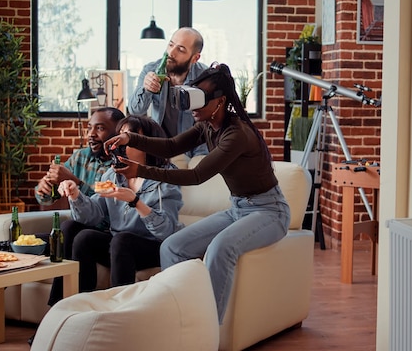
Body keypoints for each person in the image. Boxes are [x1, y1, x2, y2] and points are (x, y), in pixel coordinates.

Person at [104, 63, 291, 324]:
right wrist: (130, 139)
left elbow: (196, 176)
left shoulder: (237, 134)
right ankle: (178, 315)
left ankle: (206, 330)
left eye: (199, 101)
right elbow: (170, 147)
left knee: (220, 248)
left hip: (269, 211)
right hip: (238, 208)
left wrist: (140, 170)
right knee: (172, 246)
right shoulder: (207, 125)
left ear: (220, 102)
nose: (192, 108)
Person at [0, 107, 125, 344]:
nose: (91, 134)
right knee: (12, 247)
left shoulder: (120, 166)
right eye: (89, 128)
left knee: (71, 229)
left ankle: (49, 324)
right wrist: (45, 188)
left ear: (117, 132)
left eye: (100, 128)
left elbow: (103, 213)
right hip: (69, 234)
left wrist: (72, 181)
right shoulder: (80, 156)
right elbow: (46, 198)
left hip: (99, 237)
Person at [47, 116, 183, 306]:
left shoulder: (166, 177)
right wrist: (76, 194)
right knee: (77, 232)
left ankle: (118, 312)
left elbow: (165, 231)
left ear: (149, 144)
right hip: (119, 245)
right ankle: (67, 307)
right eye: (119, 136)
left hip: (153, 246)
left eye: (128, 138)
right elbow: (93, 216)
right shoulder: (115, 173)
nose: (120, 143)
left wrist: (135, 201)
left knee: (122, 239)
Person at [127, 27, 208, 157]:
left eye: (180, 49)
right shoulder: (151, 70)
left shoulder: (205, 77)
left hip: (196, 150)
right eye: (171, 44)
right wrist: (146, 89)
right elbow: (135, 111)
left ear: (195, 58)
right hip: (161, 149)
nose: (171, 52)